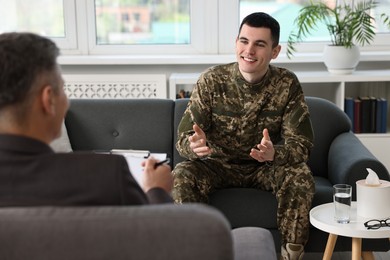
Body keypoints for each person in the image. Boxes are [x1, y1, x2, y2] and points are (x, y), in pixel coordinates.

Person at [172, 12, 315, 260]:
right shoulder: (212, 80)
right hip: (217, 166)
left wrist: (275, 153)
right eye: (244, 41)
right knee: (181, 175)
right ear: (236, 42)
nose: (249, 50)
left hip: (264, 167)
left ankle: (292, 253)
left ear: (275, 51)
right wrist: (193, 146)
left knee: (300, 176)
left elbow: (302, 145)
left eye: (260, 44)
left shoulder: (287, 84)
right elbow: (184, 138)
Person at [0, 32, 173, 206]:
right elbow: (153, 230)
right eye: (62, 89)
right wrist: (157, 190)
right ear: (48, 100)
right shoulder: (106, 176)